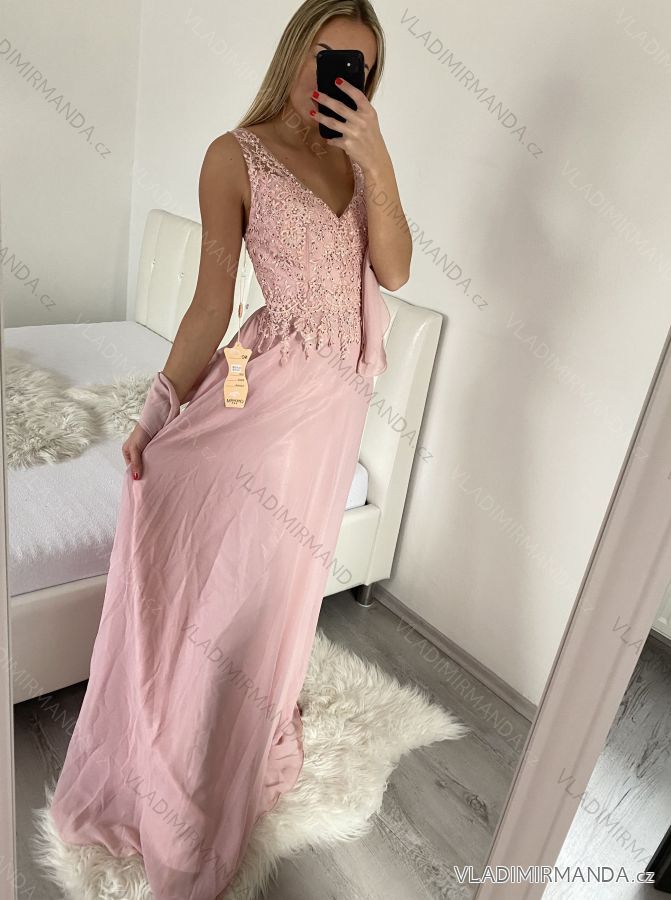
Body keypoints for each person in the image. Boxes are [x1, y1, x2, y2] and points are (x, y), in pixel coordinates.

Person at [43, 1, 412, 897]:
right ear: (295, 53)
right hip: (269, 391)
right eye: (327, 56)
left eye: (359, 67)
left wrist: (377, 159)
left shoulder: (358, 161)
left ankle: (241, 720)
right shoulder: (234, 155)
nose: (341, 78)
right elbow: (211, 302)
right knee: (224, 569)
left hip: (334, 407)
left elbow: (394, 270)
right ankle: (176, 748)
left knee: (285, 581)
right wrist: (156, 411)